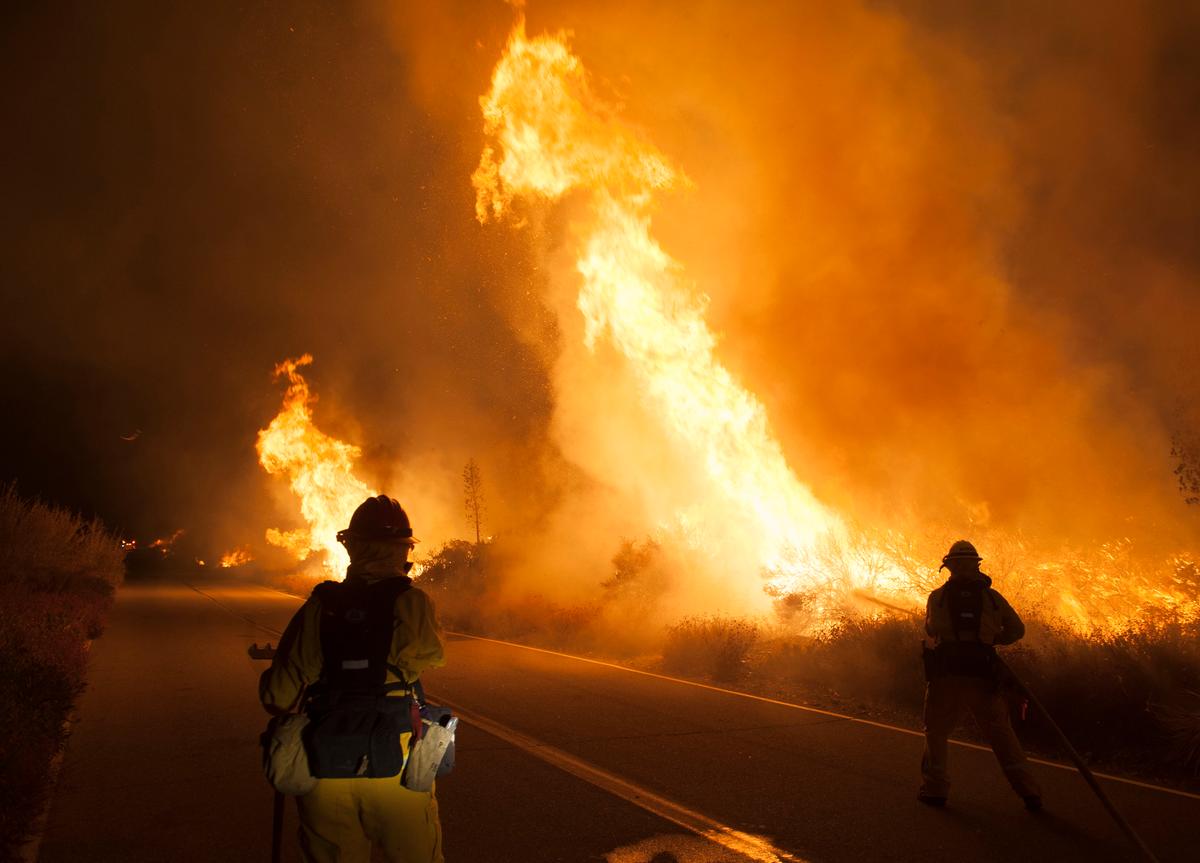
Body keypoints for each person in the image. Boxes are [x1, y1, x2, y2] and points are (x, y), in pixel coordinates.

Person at [260, 495, 446, 862]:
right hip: (397, 767)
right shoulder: (413, 603)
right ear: (402, 550)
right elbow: (430, 655)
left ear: (351, 546)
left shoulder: (320, 605)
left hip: (326, 767)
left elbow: (277, 696)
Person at [919, 540, 1042, 811]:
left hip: (946, 676)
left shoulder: (937, 597)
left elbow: (931, 629)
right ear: (976, 565)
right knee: (1001, 734)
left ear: (948, 566)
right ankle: (1029, 792)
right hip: (983, 677)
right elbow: (1017, 630)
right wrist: (991, 639)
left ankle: (935, 790)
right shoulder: (992, 598)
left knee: (936, 732)